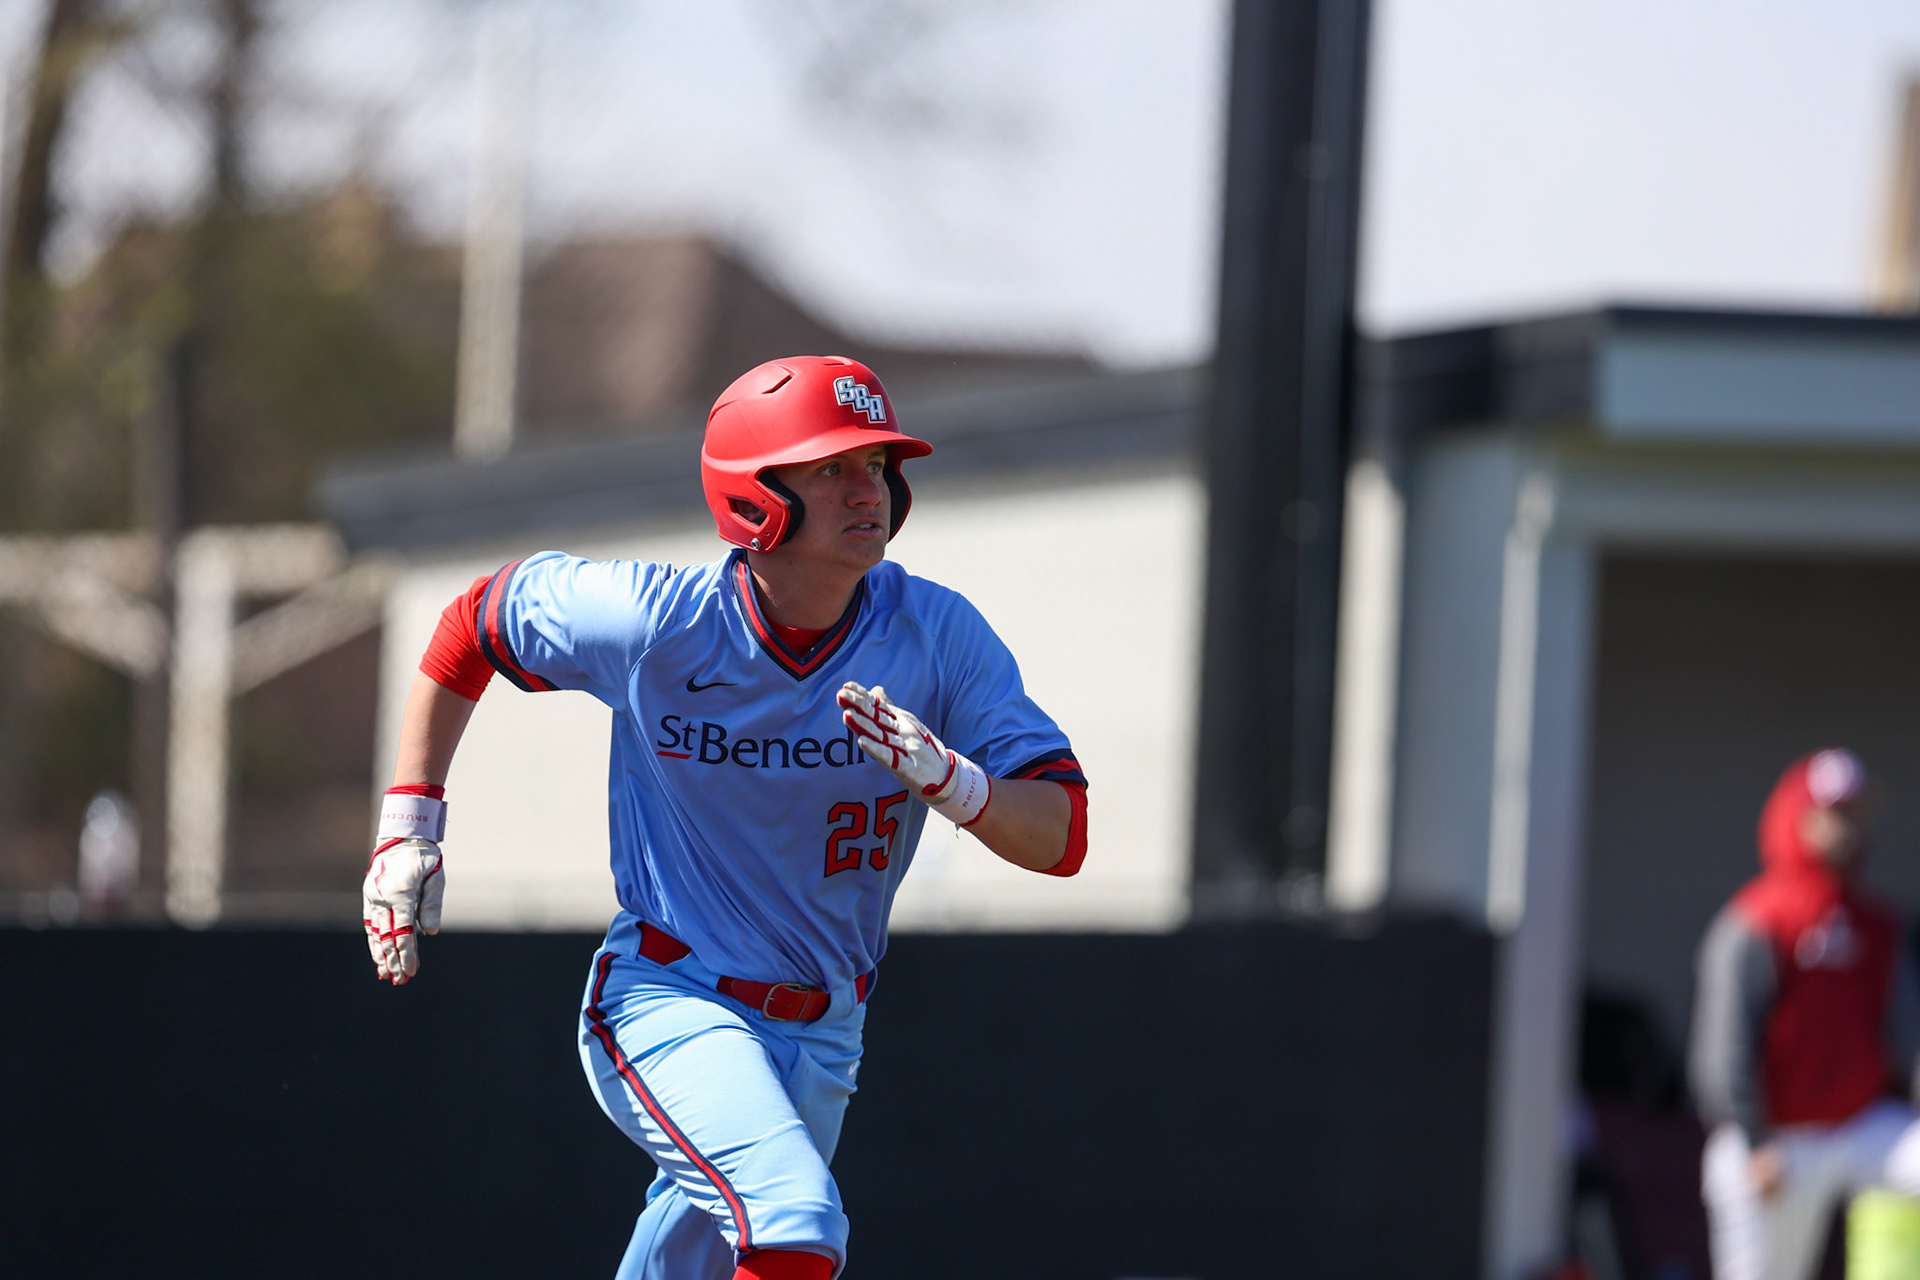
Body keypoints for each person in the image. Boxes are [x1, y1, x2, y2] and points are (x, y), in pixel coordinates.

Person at [360, 355, 1088, 1280]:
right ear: (755, 499)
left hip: (828, 1031)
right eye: (831, 468)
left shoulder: (936, 635)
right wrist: (408, 827)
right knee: (794, 1226)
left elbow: (1064, 834)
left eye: (877, 465)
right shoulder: (655, 622)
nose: (868, 489)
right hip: (670, 996)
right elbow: (472, 624)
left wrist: (955, 782)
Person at [1689, 748, 1920, 1280]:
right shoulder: (1756, 920)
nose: (1846, 826)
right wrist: (1753, 1138)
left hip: (1856, 1126)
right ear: (1796, 816)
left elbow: (1906, 1037)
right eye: (1833, 811)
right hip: (1772, 1138)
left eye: (1853, 812)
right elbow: (1722, 1045)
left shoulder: (1876, 925)